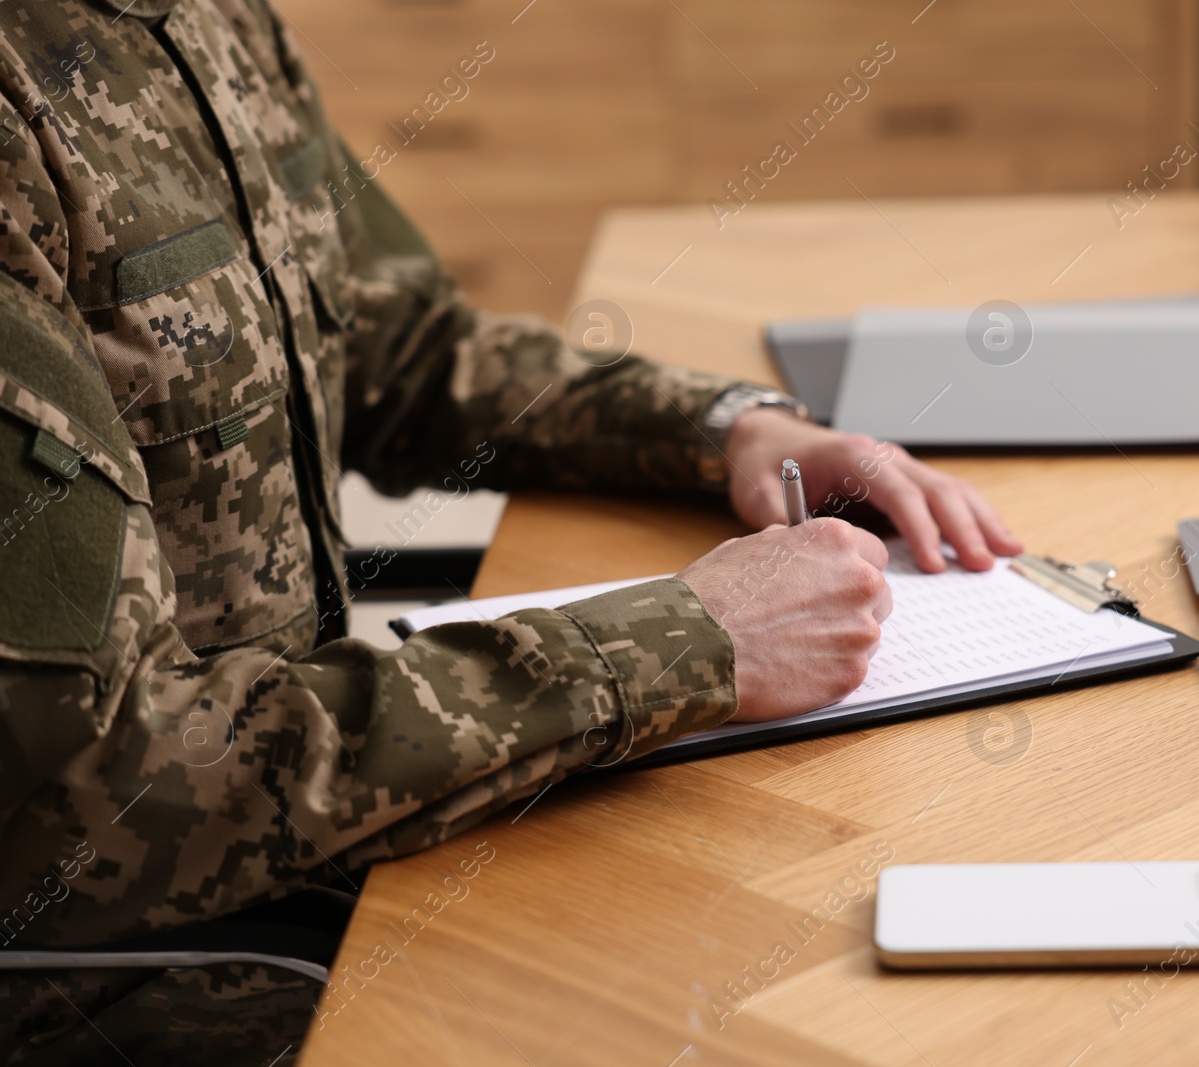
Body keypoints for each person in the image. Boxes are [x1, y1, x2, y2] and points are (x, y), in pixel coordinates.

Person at [0, 1, 1020, 1061]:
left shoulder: (204, 18)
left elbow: (400, 343)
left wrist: (721, 429)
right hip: (141, 970)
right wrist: (683, 638)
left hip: (323, 830)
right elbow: (101, 791)